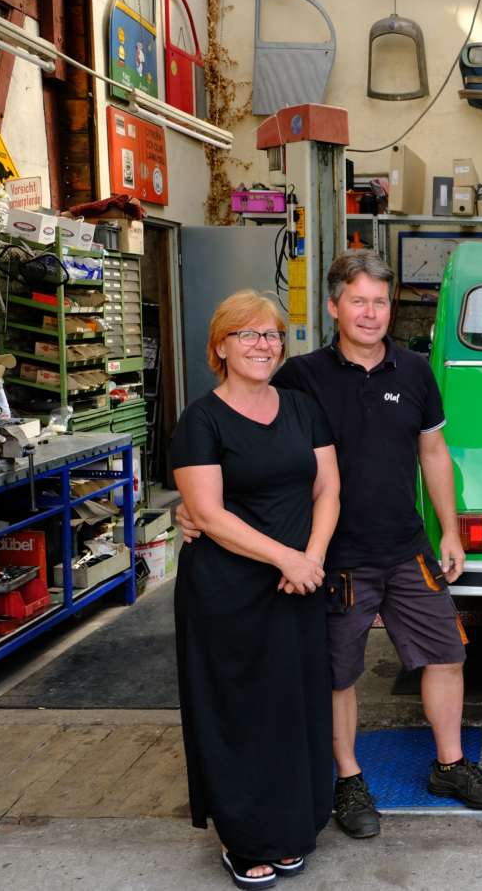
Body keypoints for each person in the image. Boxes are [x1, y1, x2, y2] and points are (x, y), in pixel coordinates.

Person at [179, 251, 482, 844]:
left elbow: (433, 452)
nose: (371, 313)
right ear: (334, 307)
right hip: (333, 557)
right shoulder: (300, 376)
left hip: (406, 545)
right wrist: (195, 508)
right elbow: (254, 444)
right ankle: (349, 779)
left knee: (446, 655)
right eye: (359, 301)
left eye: (381, 302)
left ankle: (451, 763)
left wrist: (450, 529)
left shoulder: (415, 370)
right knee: (338, 674)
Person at [171, 291, 340, 889]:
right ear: (221, 346)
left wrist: (312, 558)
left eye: (271, 334)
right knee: (237, 711)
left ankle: (291, 827)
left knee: (291, 707)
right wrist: (285, 557)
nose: (262, 345)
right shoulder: (201, 421)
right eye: (246, 334)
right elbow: (207, 514)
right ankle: (242, 838)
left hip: (298, 585)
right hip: (228, 590)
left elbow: (328, 489)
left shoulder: (302, 408)